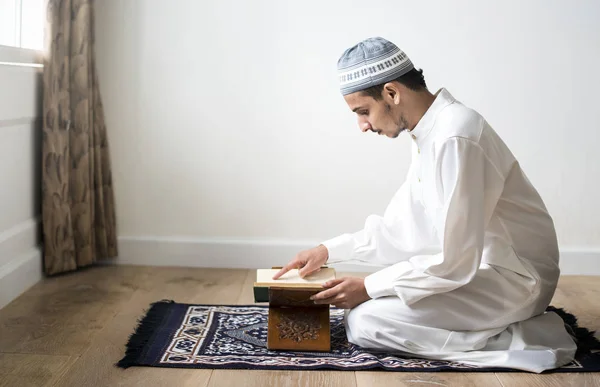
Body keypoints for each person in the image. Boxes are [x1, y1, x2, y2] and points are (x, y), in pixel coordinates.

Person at [272, 37, 577, 373]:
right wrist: (327, 251)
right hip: (480, 271)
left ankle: (518, 337)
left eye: (362, 112)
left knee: (366, 323)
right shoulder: (430, 133)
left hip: (516, 281)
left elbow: (456, 262)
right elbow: (402, 230)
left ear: (391, 93)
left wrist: (368, 287)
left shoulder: (455, 135)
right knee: (363, 313)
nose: (362, 125)